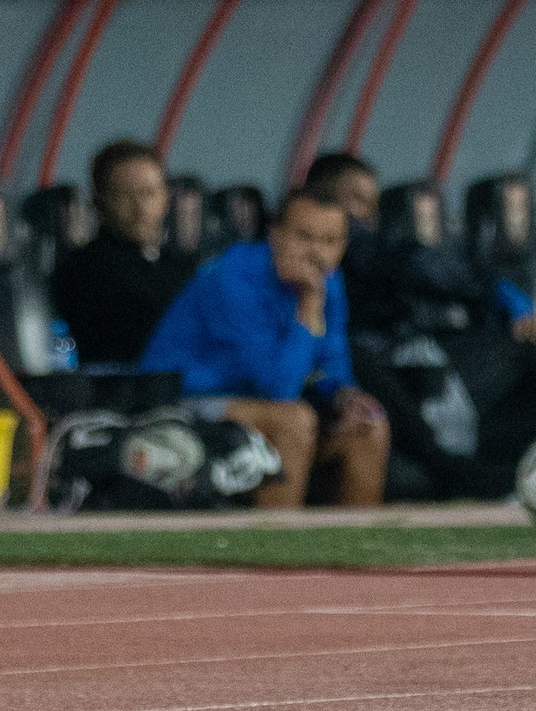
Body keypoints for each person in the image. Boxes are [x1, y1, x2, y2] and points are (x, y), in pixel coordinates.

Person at [140, 186, 389, 508]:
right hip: (183, 402)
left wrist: (344, 396)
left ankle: (360, 539)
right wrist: (309, 308)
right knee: (293, 421)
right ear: (275, 235)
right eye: (304, 237)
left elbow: (332, 362)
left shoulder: (328, 280)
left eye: (330, 241)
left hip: (260, 402)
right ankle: (278, 537)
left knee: (369, 423)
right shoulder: (233, 278)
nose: (317, 253)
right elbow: (276, 388)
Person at [50, 140, 196, 367]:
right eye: (125, 196)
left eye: (148, 193)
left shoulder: (180, 268)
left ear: (166, 197)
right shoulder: (83, 271)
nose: (140, 208)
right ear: (100, 202)